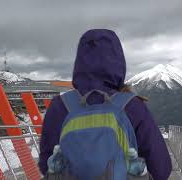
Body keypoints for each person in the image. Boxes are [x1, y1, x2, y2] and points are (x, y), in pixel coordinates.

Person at [39, 29, 172, 180]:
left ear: (79, 60)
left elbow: (46, 164)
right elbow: (161, 168)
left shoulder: (60, 106)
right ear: (118, 60)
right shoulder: (131, 105)